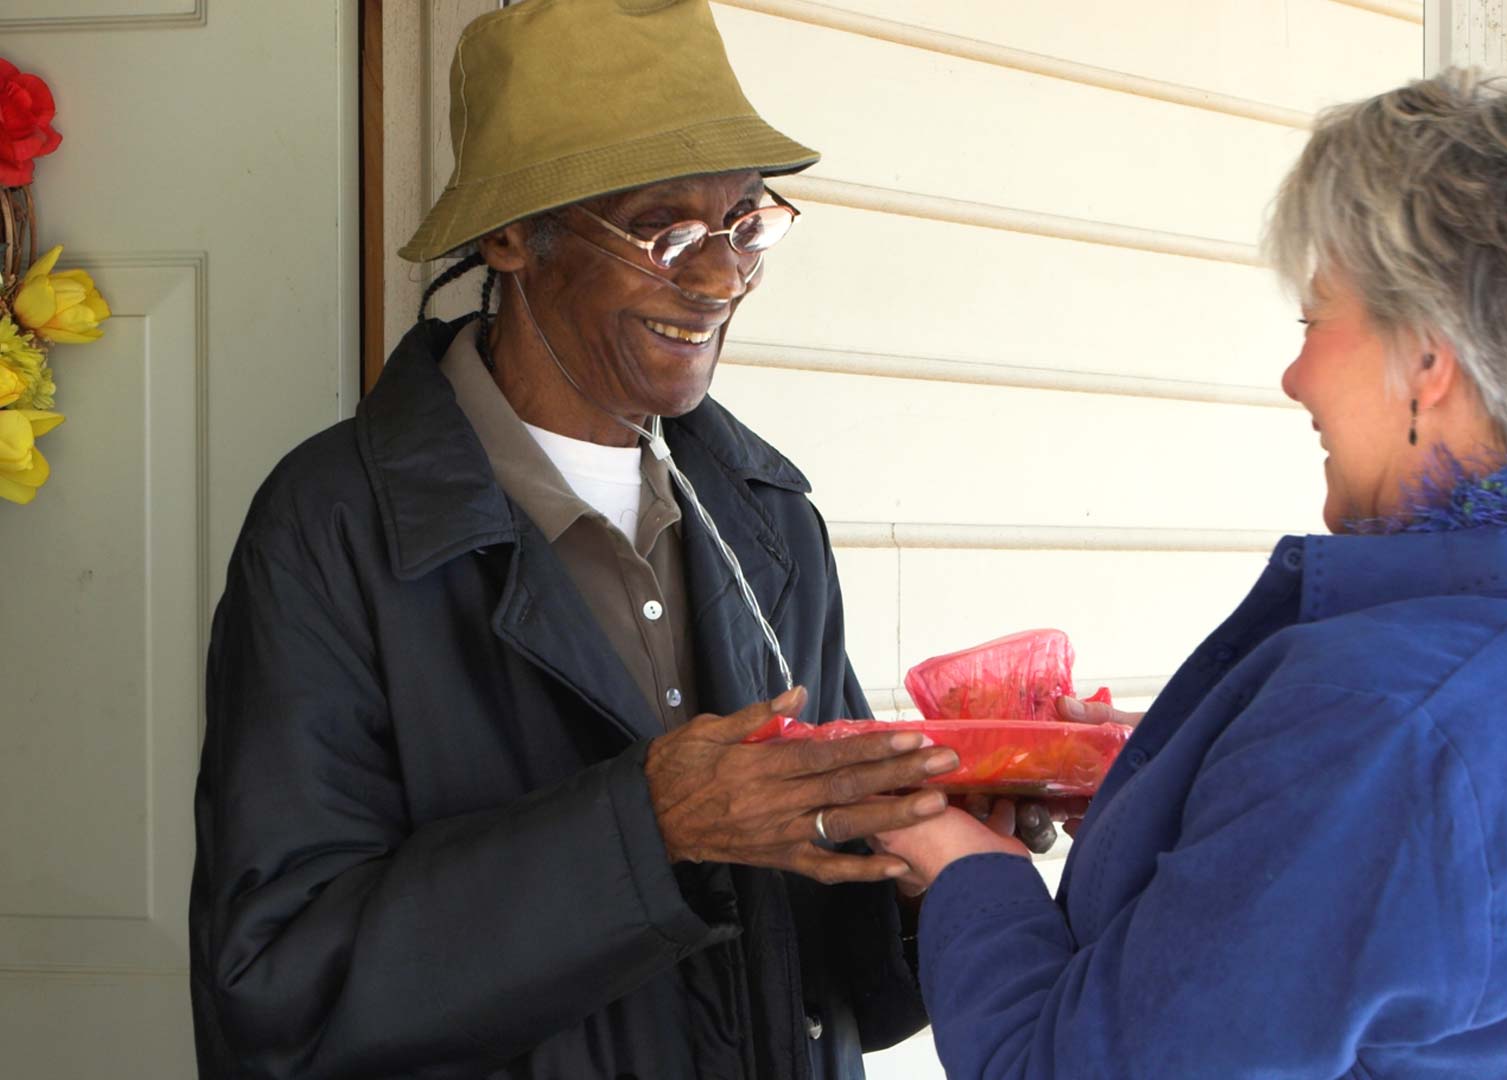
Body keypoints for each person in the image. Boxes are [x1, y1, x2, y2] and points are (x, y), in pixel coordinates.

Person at [875, 66, 1507, 1079]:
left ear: (1429, 362)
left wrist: (971, 872)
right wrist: (1187, 795)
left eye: (1316, 319)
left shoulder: (1380, 725)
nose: (1295, 374)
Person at [188, 2, 958, 1076]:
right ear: (511, 236)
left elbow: (837, 991)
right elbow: (278, 997)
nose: (722, 278)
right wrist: (650, 830)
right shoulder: (334, 531)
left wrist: (938, 860)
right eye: (665, 230)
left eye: (744, 223)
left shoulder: (767, 516)